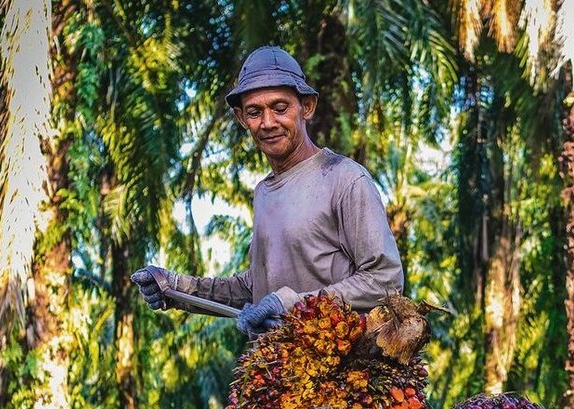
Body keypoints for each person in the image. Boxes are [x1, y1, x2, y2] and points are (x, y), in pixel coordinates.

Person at [131, 46, 404, 336]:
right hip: (278, 372)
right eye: (254, 112)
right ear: (241, 118)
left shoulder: (344, 178)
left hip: (342, 371)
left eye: (280, 108)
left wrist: (291, 304)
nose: (268, 122)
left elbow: (384, 280)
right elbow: (255, 288)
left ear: (307, 107)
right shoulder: (264, 192)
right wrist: (173, 287)